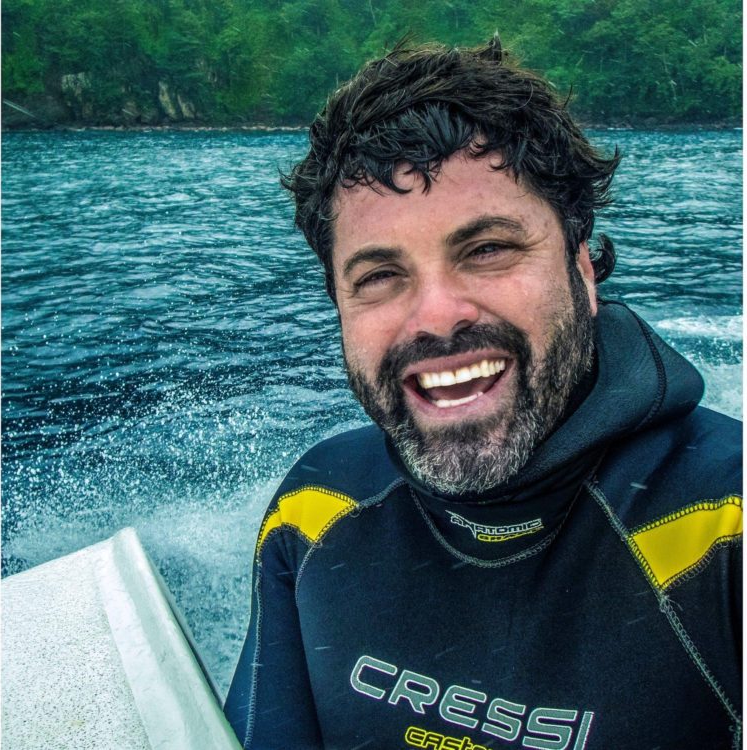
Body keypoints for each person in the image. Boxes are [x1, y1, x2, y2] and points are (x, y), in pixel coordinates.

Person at [224, 37, 742, 750]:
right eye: (379, 276)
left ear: (583, 271)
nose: (436, 316)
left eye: (487, 250)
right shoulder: (315, 510)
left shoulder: (726, 525)